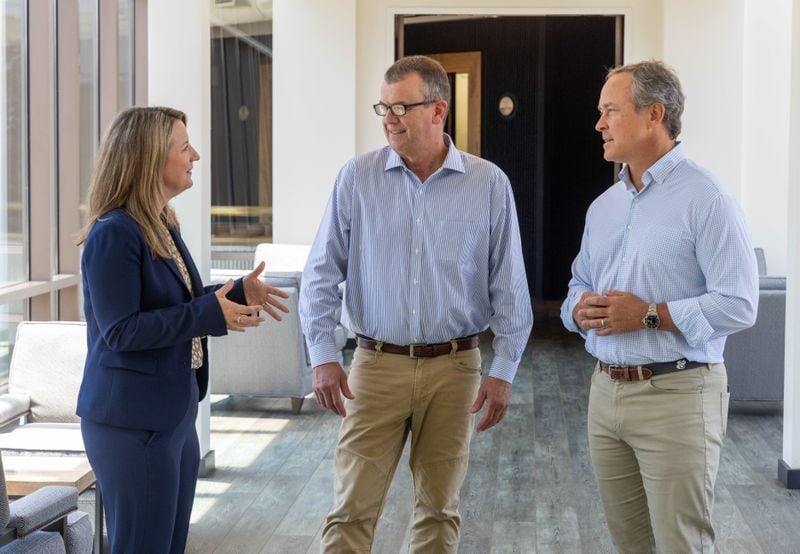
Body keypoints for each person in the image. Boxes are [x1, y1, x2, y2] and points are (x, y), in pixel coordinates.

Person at [299, 55, 532, 553]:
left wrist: (504, 369)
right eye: (383, 107)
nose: (390, 118)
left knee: (439, 512)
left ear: (438, 111)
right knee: (349, 512)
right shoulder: (356, 178)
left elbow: (510, 285)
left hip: (455, 369)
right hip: (375, 367)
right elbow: (321, 273)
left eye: (402, 106)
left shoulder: (488, 184)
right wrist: (322, 354)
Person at [560, 60, 759, 552]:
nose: (599, 124)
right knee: (631, 544)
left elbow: (739, 303)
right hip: (605, 395)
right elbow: (578, 282)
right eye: (600, 112)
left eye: (610, 111)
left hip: (678, 393)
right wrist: (577, 308)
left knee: (680, 545)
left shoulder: (706, 197)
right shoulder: (603, 206)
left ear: (654, 114)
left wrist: (651, 314)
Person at [75, 106, 289, 553]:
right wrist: (211, 313)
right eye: (183, 146)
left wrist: (234, 293)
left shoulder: (161, 223)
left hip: (172, 415)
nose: (195, 154)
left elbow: (176, 303)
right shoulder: (114, 233)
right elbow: (121, 331)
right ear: (151, 158)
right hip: (133, 425)